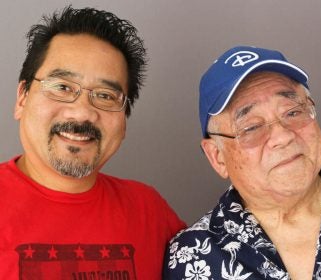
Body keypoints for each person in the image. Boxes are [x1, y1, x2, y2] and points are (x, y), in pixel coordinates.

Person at [0, 6, 186, 279]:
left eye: (105, 96)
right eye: (62, 87)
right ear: (22, 98)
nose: (83, 112)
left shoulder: (149, 210)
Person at [163, 46, 321, 279]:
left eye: (293, 112)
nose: (282, 136)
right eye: (252, 127)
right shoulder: (192, 257)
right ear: (217, 156)